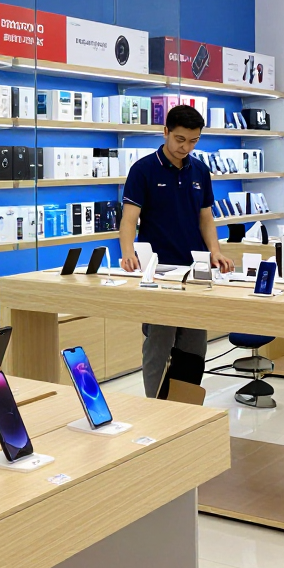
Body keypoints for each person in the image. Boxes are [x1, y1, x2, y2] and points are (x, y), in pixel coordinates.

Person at [120, 104, 235, 397]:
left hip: (195, 271)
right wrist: (127, 251)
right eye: (180, 139)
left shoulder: (201, 170)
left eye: (194, 141)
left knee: (194, 345)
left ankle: (186, 406)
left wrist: (215, 251)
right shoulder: (143, 169)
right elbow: (129, 218)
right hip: (157, 273)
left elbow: (206, 217)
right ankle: (157, 407)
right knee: (159, 342)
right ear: (166, 132)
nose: (186, 147)